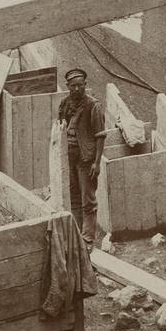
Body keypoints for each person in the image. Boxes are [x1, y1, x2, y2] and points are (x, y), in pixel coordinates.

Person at [57, 67, 106, 243]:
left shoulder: (94, 106)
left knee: (88, 199)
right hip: (69, 155)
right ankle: (77, 233)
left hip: (86, 158)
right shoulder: (64, 103)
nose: (77, 89)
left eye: (80, 85)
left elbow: (100, 136)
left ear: (85, 85)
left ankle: (87, 238)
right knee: (74, 196)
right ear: (68, 86)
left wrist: (97, 162)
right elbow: (60, 127)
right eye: (73, 86)